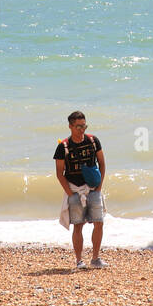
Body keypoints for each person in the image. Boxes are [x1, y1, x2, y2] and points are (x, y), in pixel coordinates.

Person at [54, 110, 106, 269]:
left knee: (99, 222)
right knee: (78, 225)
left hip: (93, 188)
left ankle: (95, 258)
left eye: (84, 126)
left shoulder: (93, 141)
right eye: (78, 127)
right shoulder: (63, 147)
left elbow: (102, 164)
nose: (82, 130)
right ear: (70, 126)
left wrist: (99, 187)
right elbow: (59, 173)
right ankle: (79, 260)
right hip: (74, 189)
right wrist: (71, 194)